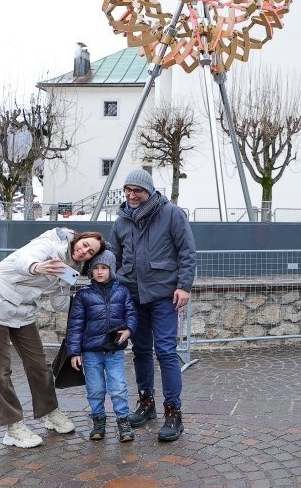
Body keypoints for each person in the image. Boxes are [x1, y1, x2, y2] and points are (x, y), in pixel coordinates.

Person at [0, 227, 105, 448]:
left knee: (39, 364)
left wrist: (91, 304)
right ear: (78, 238)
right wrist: (37, 266)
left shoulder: (72, 269)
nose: (84, 251)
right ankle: (13, 426)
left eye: (90, 252)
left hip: (22, 311)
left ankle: (50, 411)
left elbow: (59, 302)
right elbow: (24, 260)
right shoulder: (50, 244)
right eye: (84, 244)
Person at [108, 168, 196, 442]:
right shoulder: (121, 220)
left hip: (163, 295)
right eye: (128, 190)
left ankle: (174, 412)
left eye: (138, 191)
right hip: (134, 297)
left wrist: (184, 286)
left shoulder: (171, 214)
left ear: (149, 192)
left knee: (167, 352)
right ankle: (146, 404)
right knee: (141, 351)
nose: (132, 195)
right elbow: (114, 256)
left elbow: (187, 251)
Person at [66, 250, 138, 442]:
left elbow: (131, 313)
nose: (99, 272)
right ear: (90, 271)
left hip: (113, 349)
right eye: (96, 268)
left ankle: (123, 421)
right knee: (95, 388)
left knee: (118, 388)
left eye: (104, 268)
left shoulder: (122, 292)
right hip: (91, 352)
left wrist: (129, 329)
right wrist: (74, 352)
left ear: (111, 270)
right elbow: (75, 325)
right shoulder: (83, 295)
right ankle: (98, 421)